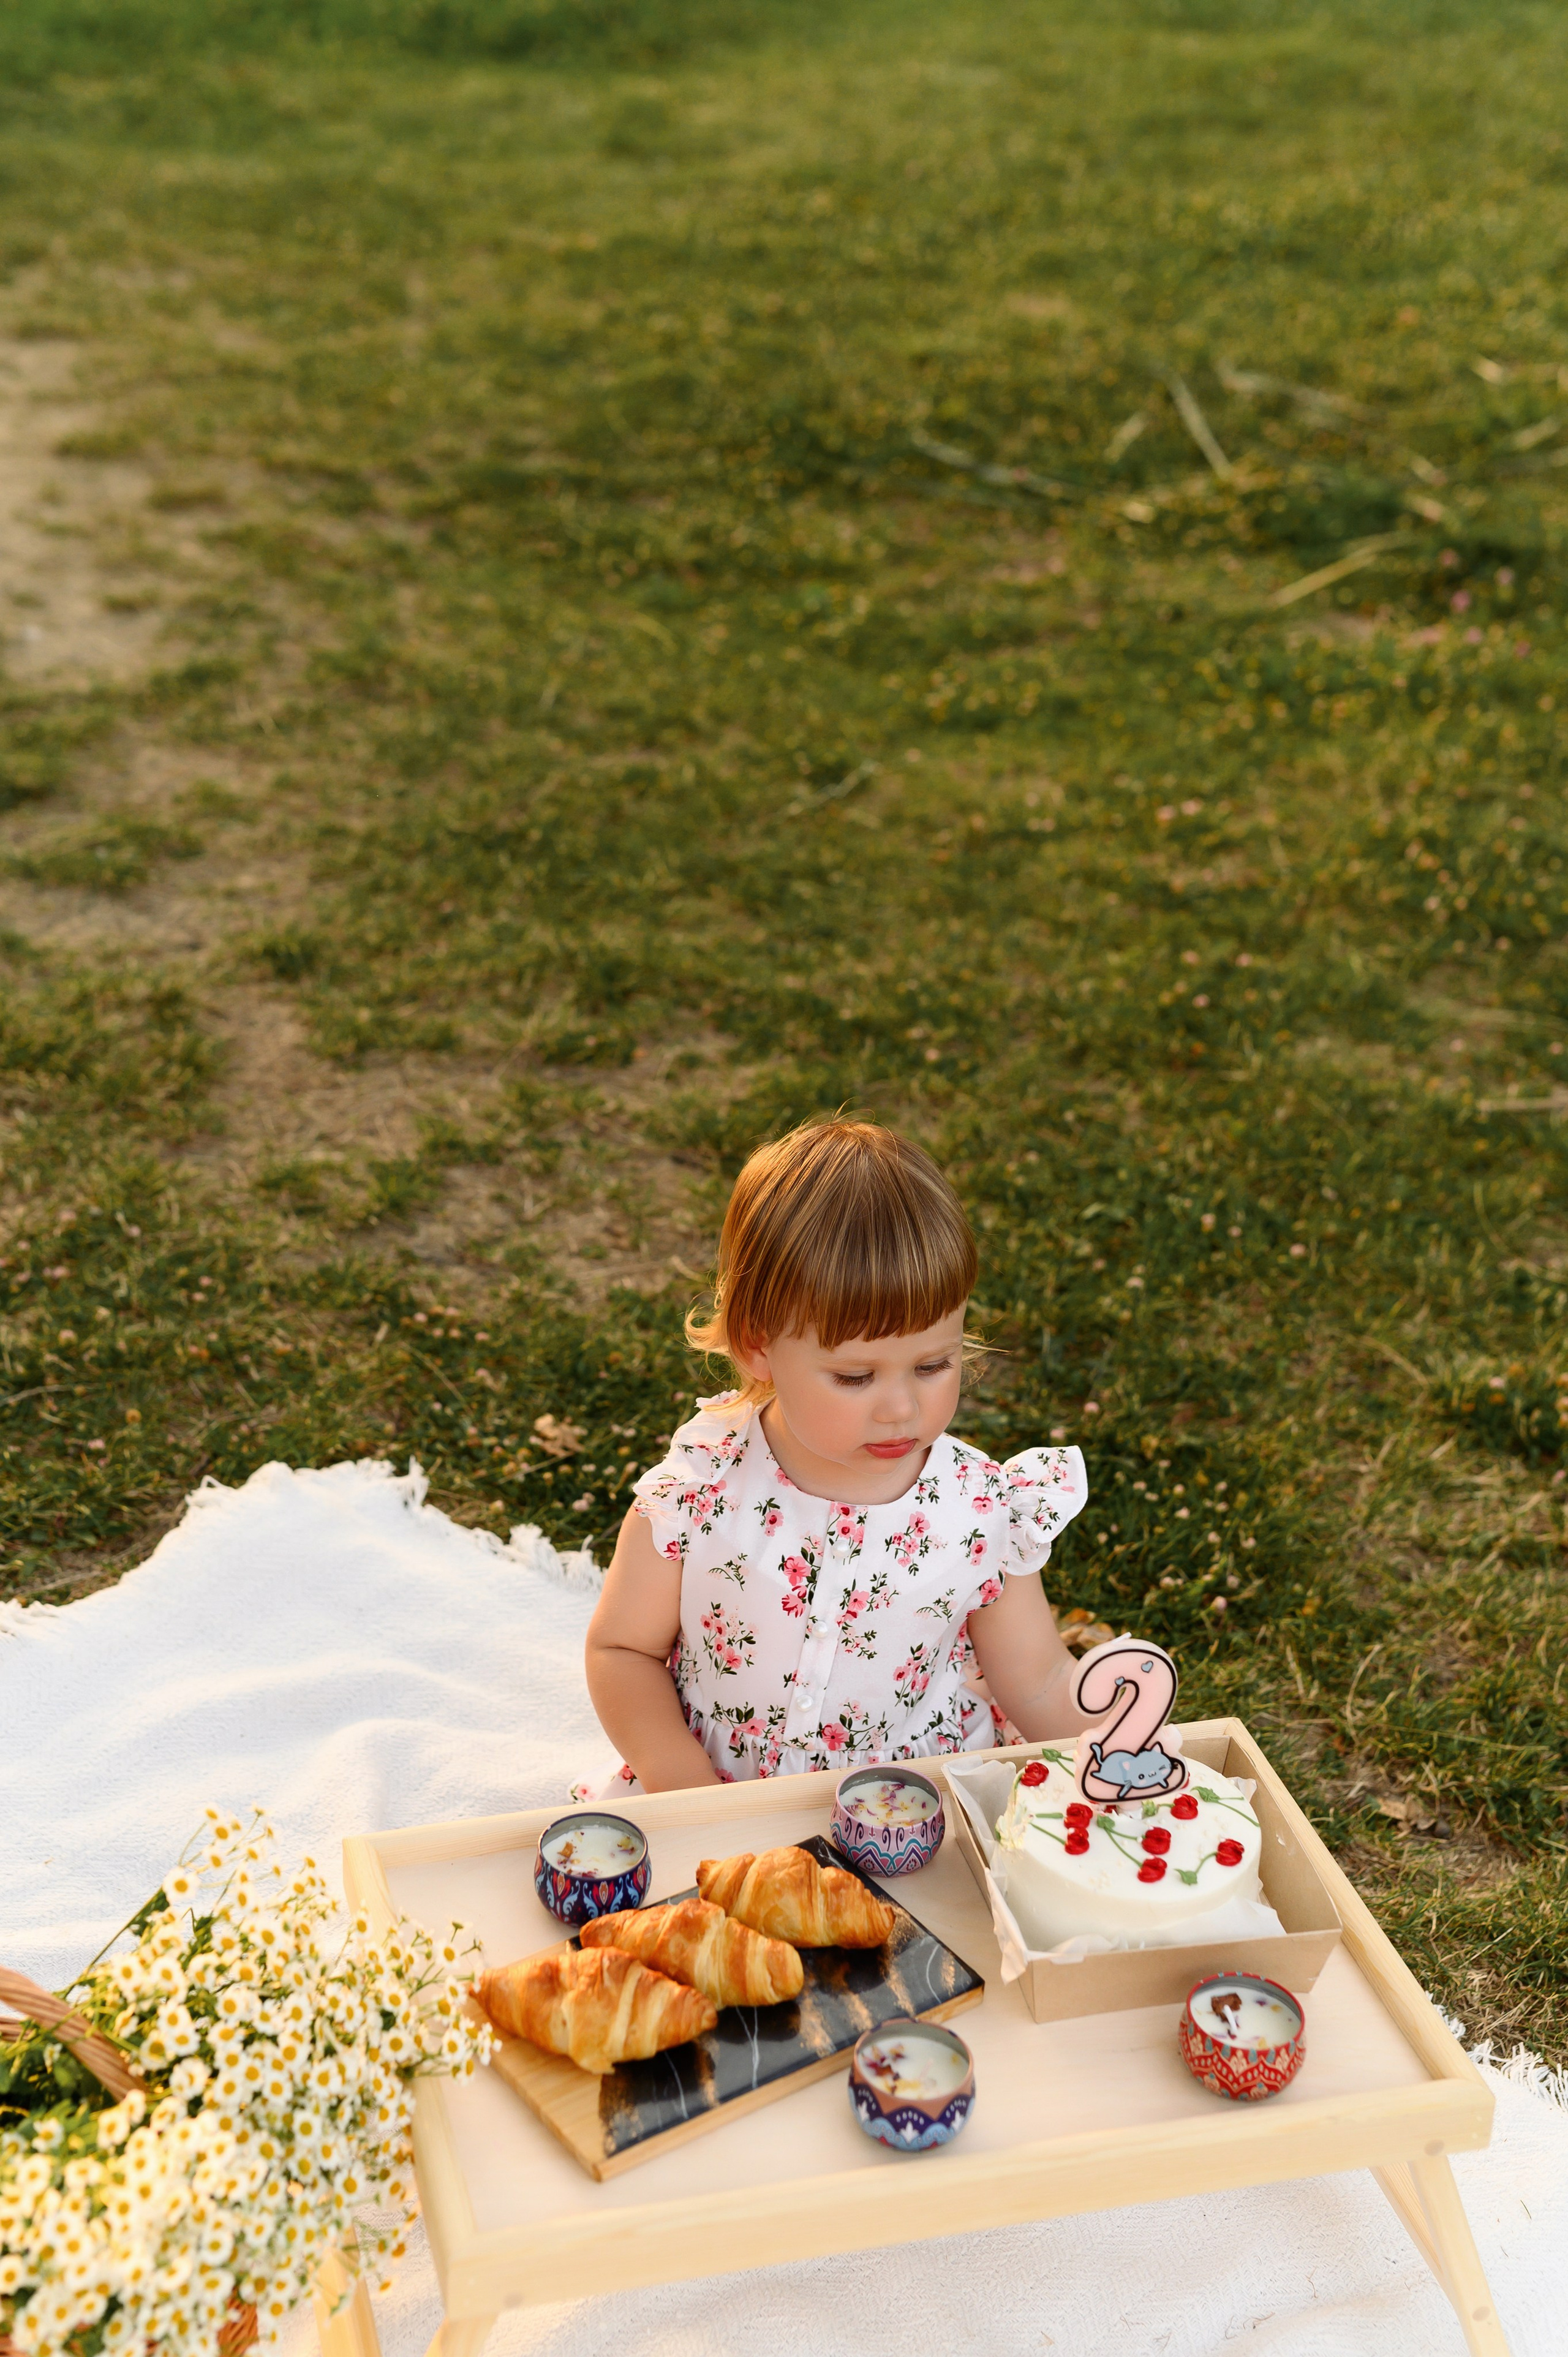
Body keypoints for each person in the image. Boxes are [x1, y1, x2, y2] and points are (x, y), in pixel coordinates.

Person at [584, 1119, 1093, 1792]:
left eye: (934, 1363)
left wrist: (1112, 1737)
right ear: (756, 1342)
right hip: (724, 1792)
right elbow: (622, 1649)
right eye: (855, 1377)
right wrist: (682, 1782)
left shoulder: (981, 1509)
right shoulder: (702, 1486)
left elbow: (1039, 1678)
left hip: (914, 1800)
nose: (901, 1408)